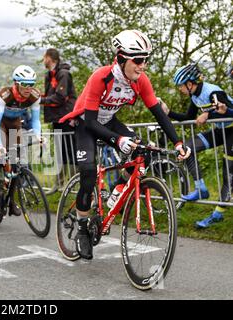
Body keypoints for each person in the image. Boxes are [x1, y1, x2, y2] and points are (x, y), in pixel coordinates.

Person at [59, 30, 191, 260]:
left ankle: (116, 193)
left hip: (109, 121)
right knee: (89, 174)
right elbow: (90, 121)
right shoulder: (101, 77)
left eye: (146, 60)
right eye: (138, 60)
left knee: (144, 152)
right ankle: (82, 228)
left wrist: (178, 142)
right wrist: (118, 140)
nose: (143, 66)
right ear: (121, 58)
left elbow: (159, 114)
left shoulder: (141, 81)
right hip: (86, 124)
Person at [161, 63, 233, 228]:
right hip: (221, 131)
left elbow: (229, 111)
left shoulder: (213, 92)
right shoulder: (194, 97)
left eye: (181, 86)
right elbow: (187, 117)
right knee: (186, 148)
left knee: (228, 172)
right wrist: (168, 112)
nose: (180, 89)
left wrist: (210, 113)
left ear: (190, 83)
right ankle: (201, 188)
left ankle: (218, 214)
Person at [0, 65, 42, 216]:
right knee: (2, 149)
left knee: (15, 165)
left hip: (15, 122)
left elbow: (36, 120)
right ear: (16, 83)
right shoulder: (5, 94)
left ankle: (11, 201)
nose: (28, 88)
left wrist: (38, 135)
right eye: (25, 84)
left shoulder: (35, 96)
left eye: (31, 84)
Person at [41, 48, 78, 182]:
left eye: (44, 57)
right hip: (56, 118)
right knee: (60, 151)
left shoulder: (63, 74)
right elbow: (50, 95)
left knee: (71, 151)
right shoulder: (49, 75)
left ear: (50, 58)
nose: (43, 60)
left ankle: (74, 182)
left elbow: (60, 97)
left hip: (67, 118)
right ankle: (60, 183)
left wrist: (41, 100)